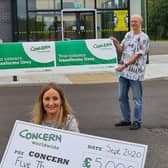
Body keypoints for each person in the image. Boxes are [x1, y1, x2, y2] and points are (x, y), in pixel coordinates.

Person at [111, 14, 149, 130]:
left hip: (135, 73)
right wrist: (115, 42)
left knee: (137, 99)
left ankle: (137, 121)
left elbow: (137, 55)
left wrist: (125, 65)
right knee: (121, 97)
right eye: (132, 21)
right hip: (123, 72)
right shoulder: (128, 35)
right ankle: (126, 119)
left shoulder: (144, 38)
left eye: (135, 21)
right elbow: (121, 49)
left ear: (140, 23)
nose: (133, 23)